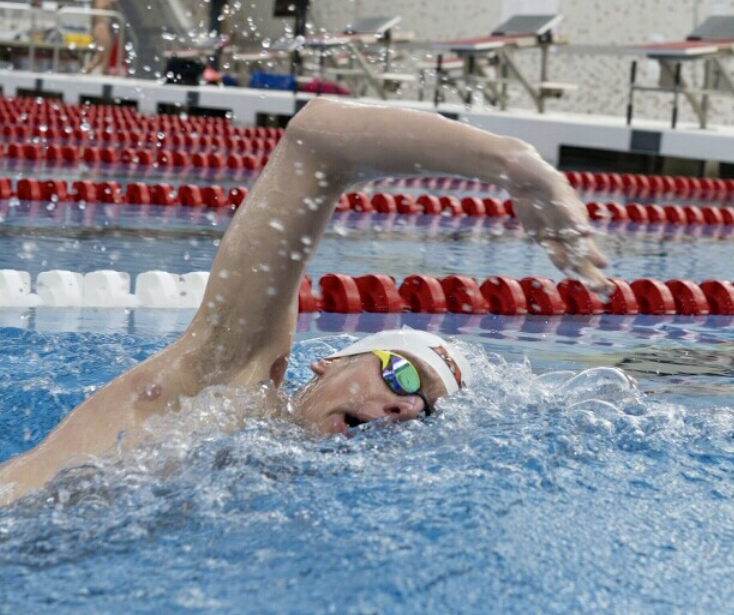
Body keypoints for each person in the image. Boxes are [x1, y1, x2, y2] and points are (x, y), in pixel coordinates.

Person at [0, 98, 610, 504]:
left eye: (423, 410)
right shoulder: (229, 384)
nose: (403, 408)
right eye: (400, 374)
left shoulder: (273, 488)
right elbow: (316, 141)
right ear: (328, 362)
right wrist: (515, 164)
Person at [82, 0, 120, 76]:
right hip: (101, 27)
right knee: (103, 56)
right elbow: (100, 6)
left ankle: (88, 70)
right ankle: (99, 71)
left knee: (101, 56)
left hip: (103, 26)